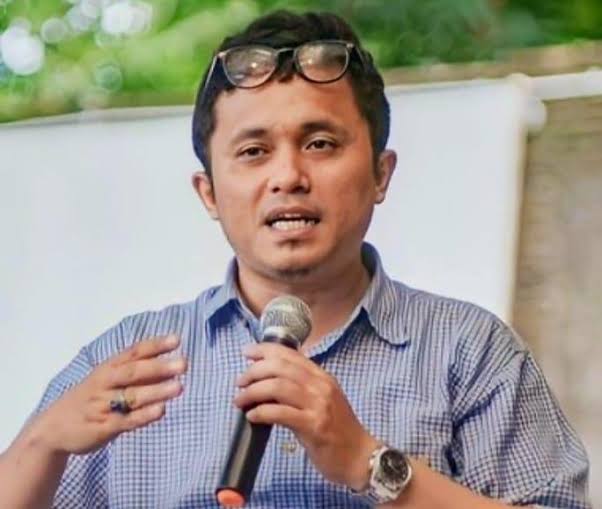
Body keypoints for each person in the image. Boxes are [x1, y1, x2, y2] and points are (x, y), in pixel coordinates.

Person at [0, 10, 591, 509]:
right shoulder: (130, 361)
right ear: (209, 193)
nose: (288, 176)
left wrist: (368, 461)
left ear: (381, 174)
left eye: (320, 144)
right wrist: (41, 444)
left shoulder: (470, 351)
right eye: (253, 151)